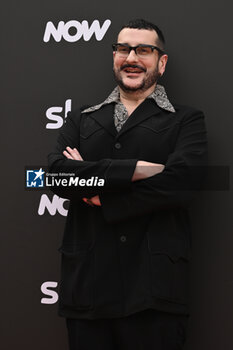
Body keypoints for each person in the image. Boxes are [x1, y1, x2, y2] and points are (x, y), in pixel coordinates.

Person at [48, 18, 207, 350]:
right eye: (123, 48)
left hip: (154, 293)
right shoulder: (81, 118)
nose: (131, 57)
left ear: (161, 63)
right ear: (115, 56)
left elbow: (183, 181)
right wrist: (134, 170)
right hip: (89, 290)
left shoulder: (186, 119)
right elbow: (56, 175)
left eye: (144, 50)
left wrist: (101, 196)